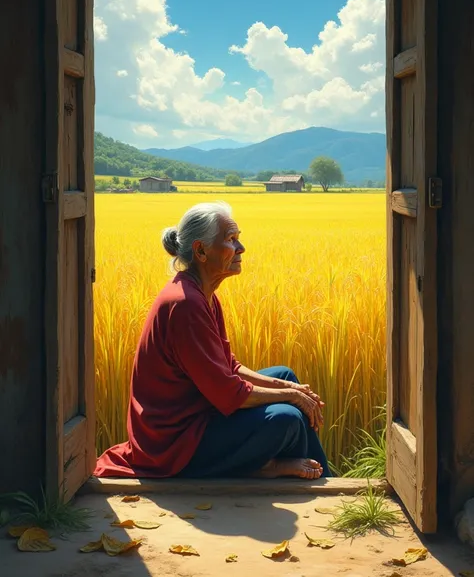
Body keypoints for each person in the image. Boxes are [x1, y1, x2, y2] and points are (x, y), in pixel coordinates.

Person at [94, 201, 331, 481]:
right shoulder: (185, 305)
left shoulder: (204, 295)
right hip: (174, 444)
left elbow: (229, 366)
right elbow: (229, 392)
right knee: (287, 418)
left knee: (285, 376)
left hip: (198, 415)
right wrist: (293, 396)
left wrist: (290, 387)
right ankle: (280, 473)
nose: (241, 248)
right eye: (231, 240)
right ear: (201, 251)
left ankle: (311, 475)